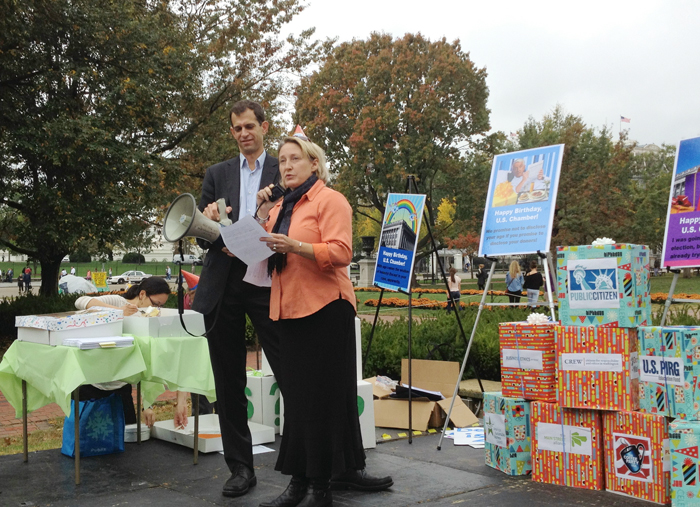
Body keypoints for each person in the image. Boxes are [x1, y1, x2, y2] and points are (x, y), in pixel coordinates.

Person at [256, 135, 393, 507]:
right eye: (282, 160)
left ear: (314, 163)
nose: (286, 166)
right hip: (288, 309)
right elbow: (259, 248)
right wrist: (256, 214)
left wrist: (296, 246)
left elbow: (342, 252)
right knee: (300, 399)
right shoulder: (279, 206)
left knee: (323, 398)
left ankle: (316, 486)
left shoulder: (330, 200)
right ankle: (311, 479)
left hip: (326, 308)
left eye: (294, 159)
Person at [192, 100, 282, 498]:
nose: (244, 133)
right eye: (237, 128)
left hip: (269, 280)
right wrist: (212, 221)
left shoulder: (285, 168)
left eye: (250, 126)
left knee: (290, 371)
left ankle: (306, 465)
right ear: (232, 132)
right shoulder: (217, 174)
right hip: (224, 285)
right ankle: (241, 468)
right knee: (229, 382)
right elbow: (199, 233)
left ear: (264, 127)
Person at [74, 277, 188, 428]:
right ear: (142, 294)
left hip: (122, 386)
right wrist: (118, 312)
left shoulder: (149, 319)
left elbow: (144, 360)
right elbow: (81, 301)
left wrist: (146, 406)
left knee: (126, 438)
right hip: (93, 383)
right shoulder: (118, 302)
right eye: (155, 304)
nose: (157, 309)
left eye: (161, 306)